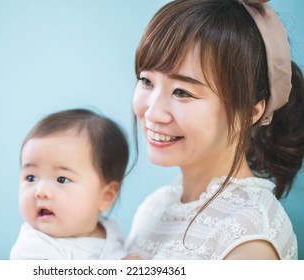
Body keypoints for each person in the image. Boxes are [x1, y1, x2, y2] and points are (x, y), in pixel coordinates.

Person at [126, 0, 304, 260]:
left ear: (249, 112)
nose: (152, 112)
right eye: (146, 80)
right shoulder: (155, 208)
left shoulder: (249, 237)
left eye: (182, 92)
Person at [10, 108, 129, 259]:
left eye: (62, 179)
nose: (40, 191)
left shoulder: (111, 230)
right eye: (31, 178)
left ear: (106, 196)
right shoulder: (35, 249)